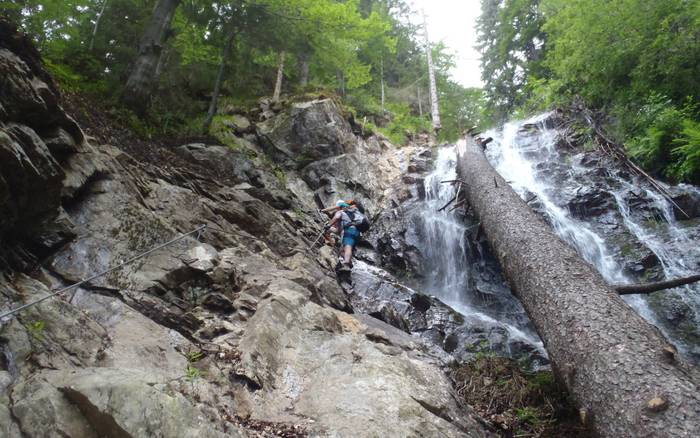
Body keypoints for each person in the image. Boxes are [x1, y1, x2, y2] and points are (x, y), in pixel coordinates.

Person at [327, 200, 361, 271]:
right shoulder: (355, 214)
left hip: (350, 231)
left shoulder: (342, 212)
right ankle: (349, 263)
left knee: (347, 247)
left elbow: (336, 218)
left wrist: (328, 225)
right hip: (358, 233)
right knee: (346, 249)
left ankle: (346, 264)